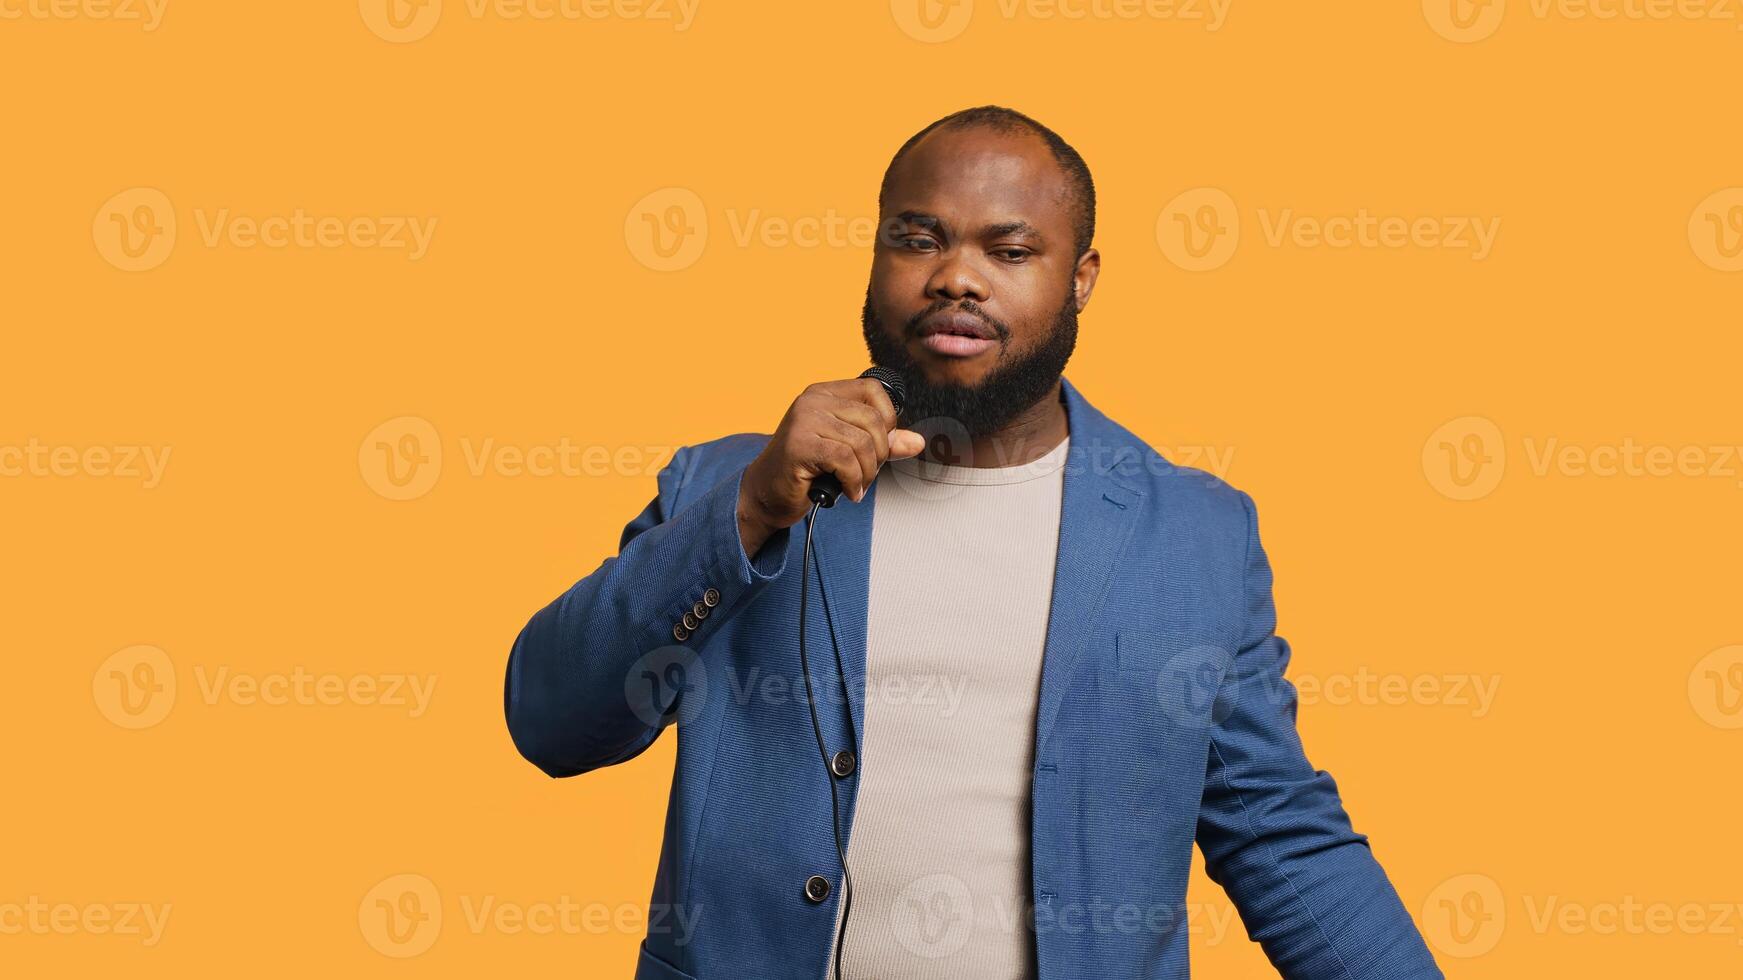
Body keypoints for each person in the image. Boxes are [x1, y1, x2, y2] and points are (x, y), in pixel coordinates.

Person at [504, 105, 1444, 980]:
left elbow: (1276, 832)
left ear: (1080, 280)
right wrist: (750, 512)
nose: (955, 275)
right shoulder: (726, 488)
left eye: (1009, 248)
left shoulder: (1194, 533)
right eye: (918, 239)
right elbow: (554, 721)